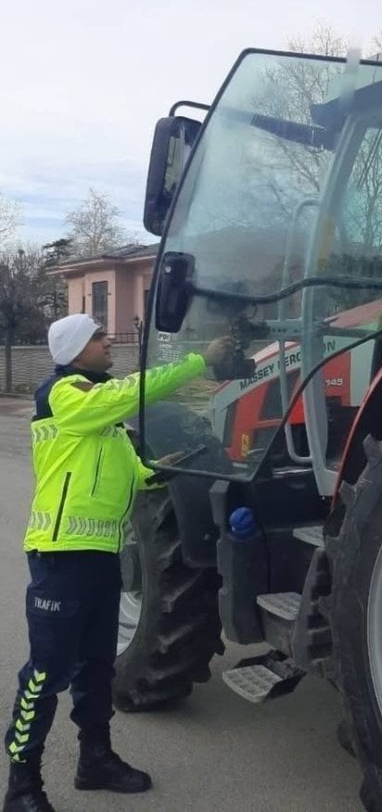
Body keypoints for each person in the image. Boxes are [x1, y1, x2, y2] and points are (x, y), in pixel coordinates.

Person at [3, 314, 233, 812]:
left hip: (102, 559)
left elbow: (134, 478)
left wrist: (161, 471)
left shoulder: (105, 427)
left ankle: (95, 761)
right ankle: (22, 786)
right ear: (74, 349)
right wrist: (199, 361)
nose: (108, 343)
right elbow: (124, 394)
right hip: (59, 558)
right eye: (98, 338)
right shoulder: (62, 394)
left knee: (97, 667)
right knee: (45, 675)